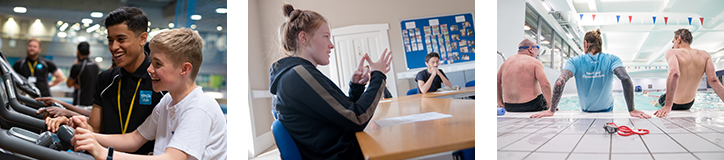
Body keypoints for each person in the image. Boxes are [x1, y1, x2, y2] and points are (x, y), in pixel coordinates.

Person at [69, 28, 226, 160]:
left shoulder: (199, 109)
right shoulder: (167, 102)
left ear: (184, 69)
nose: (149, 69)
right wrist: (88, 135)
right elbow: (134, 139)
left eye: (158, 64)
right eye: (151, 62)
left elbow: (170, 158)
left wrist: (104, 153)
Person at [269, 4, 392, 159]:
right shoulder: (298, 76)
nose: (331, 45)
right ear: (304, 38)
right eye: (326, 36)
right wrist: (378, 76)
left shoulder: (297, 74)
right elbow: (357, 118)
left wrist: (356, 87)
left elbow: (343, 114)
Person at [43, 6, 162, 155]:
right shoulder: (105, 79)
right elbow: (94, 128)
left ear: (142, 38)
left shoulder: (160, 81)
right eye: (110, 40)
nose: (114, 47)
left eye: (121, 39)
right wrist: (73, 123)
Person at [531, 29, 651, 118]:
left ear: (586, 43)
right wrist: (632, 109)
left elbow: (560, 81)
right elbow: (625, 78)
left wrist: (551, 110)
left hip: (585, 113)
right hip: (608, 113)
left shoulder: (575, 61)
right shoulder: (612, 59)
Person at [654, 29, 724, 117]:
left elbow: (674, 73)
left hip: (673, 103)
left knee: (657, 101)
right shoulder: (705, 55)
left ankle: (656, 103)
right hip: (689, 104)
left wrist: (668, 105)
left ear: (679, 39)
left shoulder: (672, 52)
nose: (673, 45)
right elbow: (713, 80)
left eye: (673, 41)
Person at [497, 39, 551, 112]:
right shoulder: (535, 62)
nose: (538, 54)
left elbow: (497, 81)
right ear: (530, 49)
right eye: (537, 50)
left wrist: (499, 102)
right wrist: (549, 104)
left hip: (509, 106)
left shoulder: (506, 62)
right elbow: (545, 84)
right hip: (531, 105)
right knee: (550, 97)